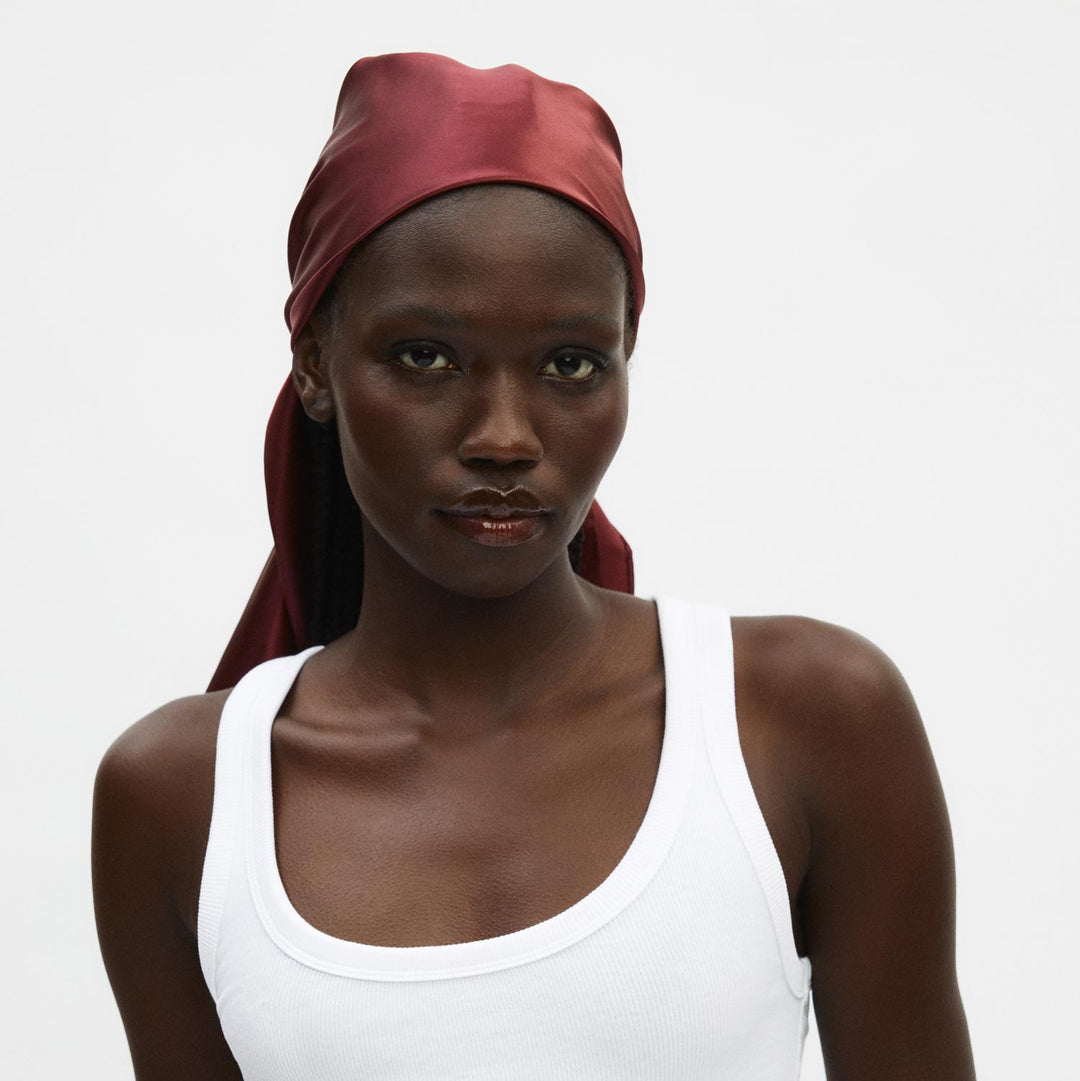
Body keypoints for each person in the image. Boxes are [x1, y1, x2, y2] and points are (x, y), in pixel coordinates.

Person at [91, 53, 976, 1080]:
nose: (506, 436)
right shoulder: (181, 799)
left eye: (570, 363)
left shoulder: (806, 720)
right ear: (316, 366)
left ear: (625, 359)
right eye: (427, 356)